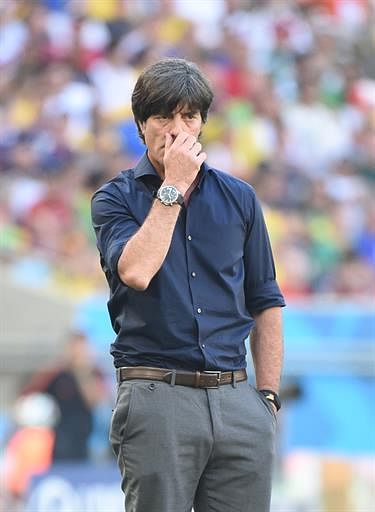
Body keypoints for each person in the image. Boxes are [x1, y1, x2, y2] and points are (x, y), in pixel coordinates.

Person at [91, 57, 285, 512]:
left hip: (237, 399)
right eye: (163, 116)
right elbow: (136, 271)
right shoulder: (114, 198)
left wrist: (268, 400)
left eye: (189, 117)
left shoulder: (240, 198)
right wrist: (174, 186)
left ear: (202, 124)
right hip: (158, 395)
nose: (177, 129)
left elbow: (266, 300)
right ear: (141, 126)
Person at [21, 330, 106, 462]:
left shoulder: (93, 372)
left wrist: (82, 372)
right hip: (61, 437)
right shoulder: (56, 373)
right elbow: (29, 391)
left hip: (85, 439)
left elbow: (95, 401)